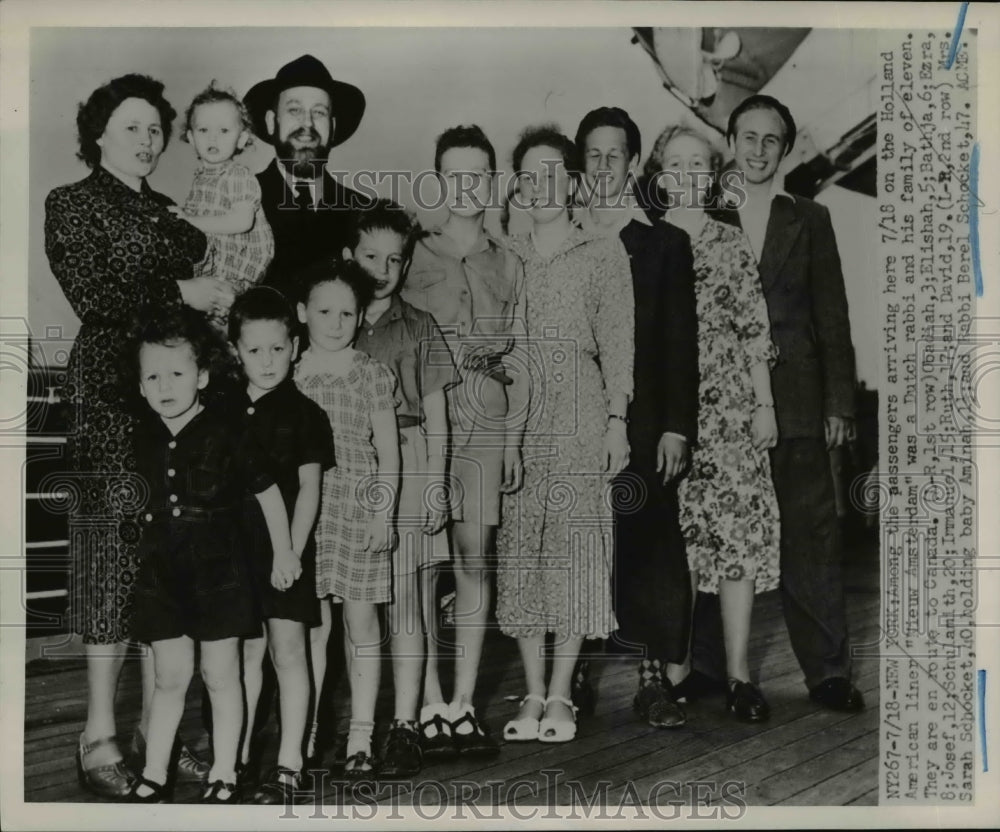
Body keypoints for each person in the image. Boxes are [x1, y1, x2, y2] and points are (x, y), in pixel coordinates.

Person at [43, 72, 227, 799]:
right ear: (97, 135)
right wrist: (182, 292)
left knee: (167, 562)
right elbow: (93, 295)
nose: (148, 140)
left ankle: (159, 736)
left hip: (172, 401)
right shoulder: (71, 203)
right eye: (132, 127)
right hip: (109, 399)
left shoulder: (173, 214)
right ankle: (97, 738)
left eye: (155, 128)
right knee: (107, 562)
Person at [698, 94, 863, 712]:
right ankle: (709, 668)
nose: (759, 149)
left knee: (810, 536)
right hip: (718, 407)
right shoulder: (703, 213)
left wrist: (838, 404)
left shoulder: (811, 218)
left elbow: (833, 316)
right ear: (731, 142)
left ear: (786, 150)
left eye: (772, 139)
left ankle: (828, 673)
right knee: (717, 532)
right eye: (749, 136)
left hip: (795, 403)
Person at [124, 307, 298, 804]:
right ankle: (155, 772)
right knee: (169, 677)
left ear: (201, 376)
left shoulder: (227, 431)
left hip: (220, 576)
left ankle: (224, 771)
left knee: (221, 676)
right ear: (140, 386)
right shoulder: (142, 436)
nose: (164, 386)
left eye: (177, 374)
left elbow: (267, 491)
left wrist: (284, 552)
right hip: (163, 578)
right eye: (152, 377)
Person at [496, 125, 633, 744]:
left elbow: (619, 343)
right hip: (517, 414)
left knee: (576, 549)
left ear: (574, 183)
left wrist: (617, 422)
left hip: (582, 407)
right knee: (522, 547)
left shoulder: (604, 251)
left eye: (553, 173)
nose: (541, 186)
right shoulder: (505, 253)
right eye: (529, 175)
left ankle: (561, 695)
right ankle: (531, 692)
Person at [648, 123, 782, 722]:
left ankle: (739, 676)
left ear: (711, 177)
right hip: (665, 418)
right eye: (675, 164)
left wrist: (764, 406)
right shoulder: (645, 240)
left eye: (697, 164)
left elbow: (753, 328)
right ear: (659, 174)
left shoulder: (729, 241)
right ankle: (674, 670)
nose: (686, 174)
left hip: (727, 413)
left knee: (736, 538)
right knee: (673, 544)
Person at [572, 108, 699, 728]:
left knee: (647, 545)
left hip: (645, 424)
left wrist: (676, 426)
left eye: (615, 154)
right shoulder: (559, 235)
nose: (604, 165)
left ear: (632, 162)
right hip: (571, 420)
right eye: (593, 154)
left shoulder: (665, 243)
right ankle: (572, 675)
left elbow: (679, 342)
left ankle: (652, 679)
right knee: (577, 544)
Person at [402, 125, 525, 757]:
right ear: (438, 181)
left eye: (478, 175)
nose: (467, 186)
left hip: (487, 418)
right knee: (425, 565)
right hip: (426, 420)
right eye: (455, 175)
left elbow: (521, 355)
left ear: (492, 180)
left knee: (475, 559)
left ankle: (463, 705)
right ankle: (426, 702)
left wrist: (513, 441)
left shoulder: (509, 259)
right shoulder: (413, 251)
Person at [347, 200, 460, 777]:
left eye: (394, 259)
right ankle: (358, 732)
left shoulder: (419, 325)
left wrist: (437, 482)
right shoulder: (333, 321)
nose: (382, 270)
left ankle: (406, 726)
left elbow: (437, 414)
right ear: (349, 256)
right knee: (358, 605)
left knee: (410, 601)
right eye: (370, 257)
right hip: (350, 467)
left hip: (412, 461)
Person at [227, 287, 335, 802]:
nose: (267, 361)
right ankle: (238, 756)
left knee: (288, 652)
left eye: (277, 348)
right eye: (254, 350)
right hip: (234, 553)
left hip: (286, 551)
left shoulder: (306, 413)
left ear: (295, 346)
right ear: (236, 351)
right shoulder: (222, 410)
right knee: (244, 654)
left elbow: (310, 488)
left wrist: (290, 551)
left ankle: (290, 761)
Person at [294, 260, 400, 778]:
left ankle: (361, 733)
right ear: (302, 313)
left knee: (361, 624)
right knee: (312, 628)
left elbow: (389, 453)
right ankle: (308, 728)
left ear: (360, 317)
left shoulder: (371, 373)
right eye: (324, 312)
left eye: (346, 314)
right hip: (306, 516)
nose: (336, 324)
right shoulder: (291, 372)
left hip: (358, 509)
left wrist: (383, 513)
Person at [244, 54, 373, 300]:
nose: (307, 124)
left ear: (332, 127)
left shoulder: (362, 212)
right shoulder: (239, 199)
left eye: (319, 112)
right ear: (271, 122)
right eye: (294, 110)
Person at [170, 83, 275, 329]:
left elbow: (241, 221)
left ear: (242, 139)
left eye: (224, 130)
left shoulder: (237, 175)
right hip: (210, 276)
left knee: (225, 330)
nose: (213, 138)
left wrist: (189, 219)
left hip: (236, 276)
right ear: (191, 137)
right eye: (203, 130)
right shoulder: (201, 180)